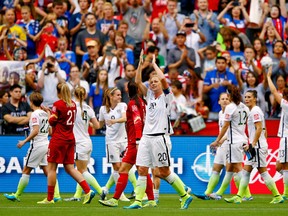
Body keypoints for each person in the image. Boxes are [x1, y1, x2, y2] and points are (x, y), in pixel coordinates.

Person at [124, 53, 192, 209]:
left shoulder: (167, 97)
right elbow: (137, 81)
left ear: (161, 84)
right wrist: (140, 64)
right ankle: (138, 201)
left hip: (160, 137)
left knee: (163, 171)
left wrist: (154, 64)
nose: (153, 84)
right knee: (141, 168)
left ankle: (184, 195)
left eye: (155, 82)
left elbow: (162, 79)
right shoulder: (149, 96)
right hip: (146, 137)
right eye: (151, 82)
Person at [99, 81, 156, 207]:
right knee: (142, 171)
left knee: (124, 170)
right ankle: (151, 199)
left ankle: (115, 199)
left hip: (134, 142)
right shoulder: (142, 101)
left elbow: (137, 121)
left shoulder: (132, 104)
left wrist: (137, 140)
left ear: (127, 90)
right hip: (139, 140)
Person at [37, 83, 95, 204]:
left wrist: (49, 114)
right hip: (70, 139)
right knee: (70, 168)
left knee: (52, 168)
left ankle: (49, 198)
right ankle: (88, 191)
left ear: (58, 92)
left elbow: (52, 122)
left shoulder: (57, 104)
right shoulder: (73, 105)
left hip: (58, 139)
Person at [224, 90, 284, 204]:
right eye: (245, 97)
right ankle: (239, 197)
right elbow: (263, 129)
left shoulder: (255, 111)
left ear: (255, 99)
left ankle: (277, 195)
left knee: (263, 172)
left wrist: (253, 144)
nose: (246, 99)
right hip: (257, 145)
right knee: (246, 172)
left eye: (249, 97)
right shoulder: (253, 111)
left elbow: (259, 128)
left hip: (257, 147)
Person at [4, 92, 61, 202]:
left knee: (26, 170)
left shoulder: (34, 114)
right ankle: (57, 195)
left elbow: (35, 131)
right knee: (48, 171)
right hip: (46, 143)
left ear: (31, 102)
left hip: (37, 145)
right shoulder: (45, 114)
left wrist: (24, 142)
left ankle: (17, 195)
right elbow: (50, 131)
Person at [209, 86, 249, 200]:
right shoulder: (244, 107)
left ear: (230, 95)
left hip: (234, 141)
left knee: (238, 168)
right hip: (242, 138)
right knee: (230, 168)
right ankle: (219, 193)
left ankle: (242, 195)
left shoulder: (230, 107)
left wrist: (217, 141)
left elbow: (226, 126)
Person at [64, 86, 103, 202]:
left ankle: (101, 191)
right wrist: (87, 125)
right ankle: (77, 195)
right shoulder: (88, 108)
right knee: (80, 170)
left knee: (82, 171)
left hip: (78, 143)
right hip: (88, 142)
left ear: (73, 94)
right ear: (85, 95)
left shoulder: (70, 107)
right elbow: (97, 126)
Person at [98, 87, 134, 202]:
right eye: (117, 95)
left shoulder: (122, 105)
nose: (120, 97)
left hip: (123, 140)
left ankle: (107, 188)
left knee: (125, 167)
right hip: (111, 141)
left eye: (120, 94)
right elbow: (99, 125)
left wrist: (114, 121)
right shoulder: (103, 109)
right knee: (117, 167)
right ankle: (120, 193)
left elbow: (125, 118)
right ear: (111, 96)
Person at [194, 92, 230, 200]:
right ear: (218, 101)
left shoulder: (231, 113)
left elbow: (231, 132)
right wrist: (218, 142)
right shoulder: (220, 113)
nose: (224, 100)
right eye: (222, 98)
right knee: (216, 168)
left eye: (227, 99)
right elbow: (221, 130)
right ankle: (208, 193)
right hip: (222, 145)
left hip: (230, 144)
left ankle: (245, 194)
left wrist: (218, 141)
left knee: (233, 170)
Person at [267, 66, 288, 201]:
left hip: (286, 137)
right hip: (284, 137)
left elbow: (274, 92)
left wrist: (268, 77)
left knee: (284, 166)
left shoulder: (286, 105)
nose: (283, 96)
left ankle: (285, 193)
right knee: (278, 166)